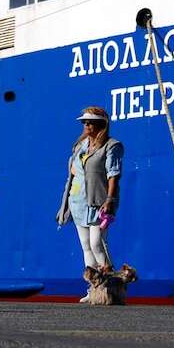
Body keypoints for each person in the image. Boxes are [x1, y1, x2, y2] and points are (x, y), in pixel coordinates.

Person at [56, 106, 124, 303]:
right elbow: (73, 171)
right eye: (84, 122)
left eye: (90, 122)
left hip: (98, 201)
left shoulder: (112, 146)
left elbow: (113, 174)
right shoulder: (81, 145)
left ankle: (110, 286)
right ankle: (93, 289)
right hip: (77, 200)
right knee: (86, 245)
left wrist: (110, 200)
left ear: (101, 124)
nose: (86, 125)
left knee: (97, 243)